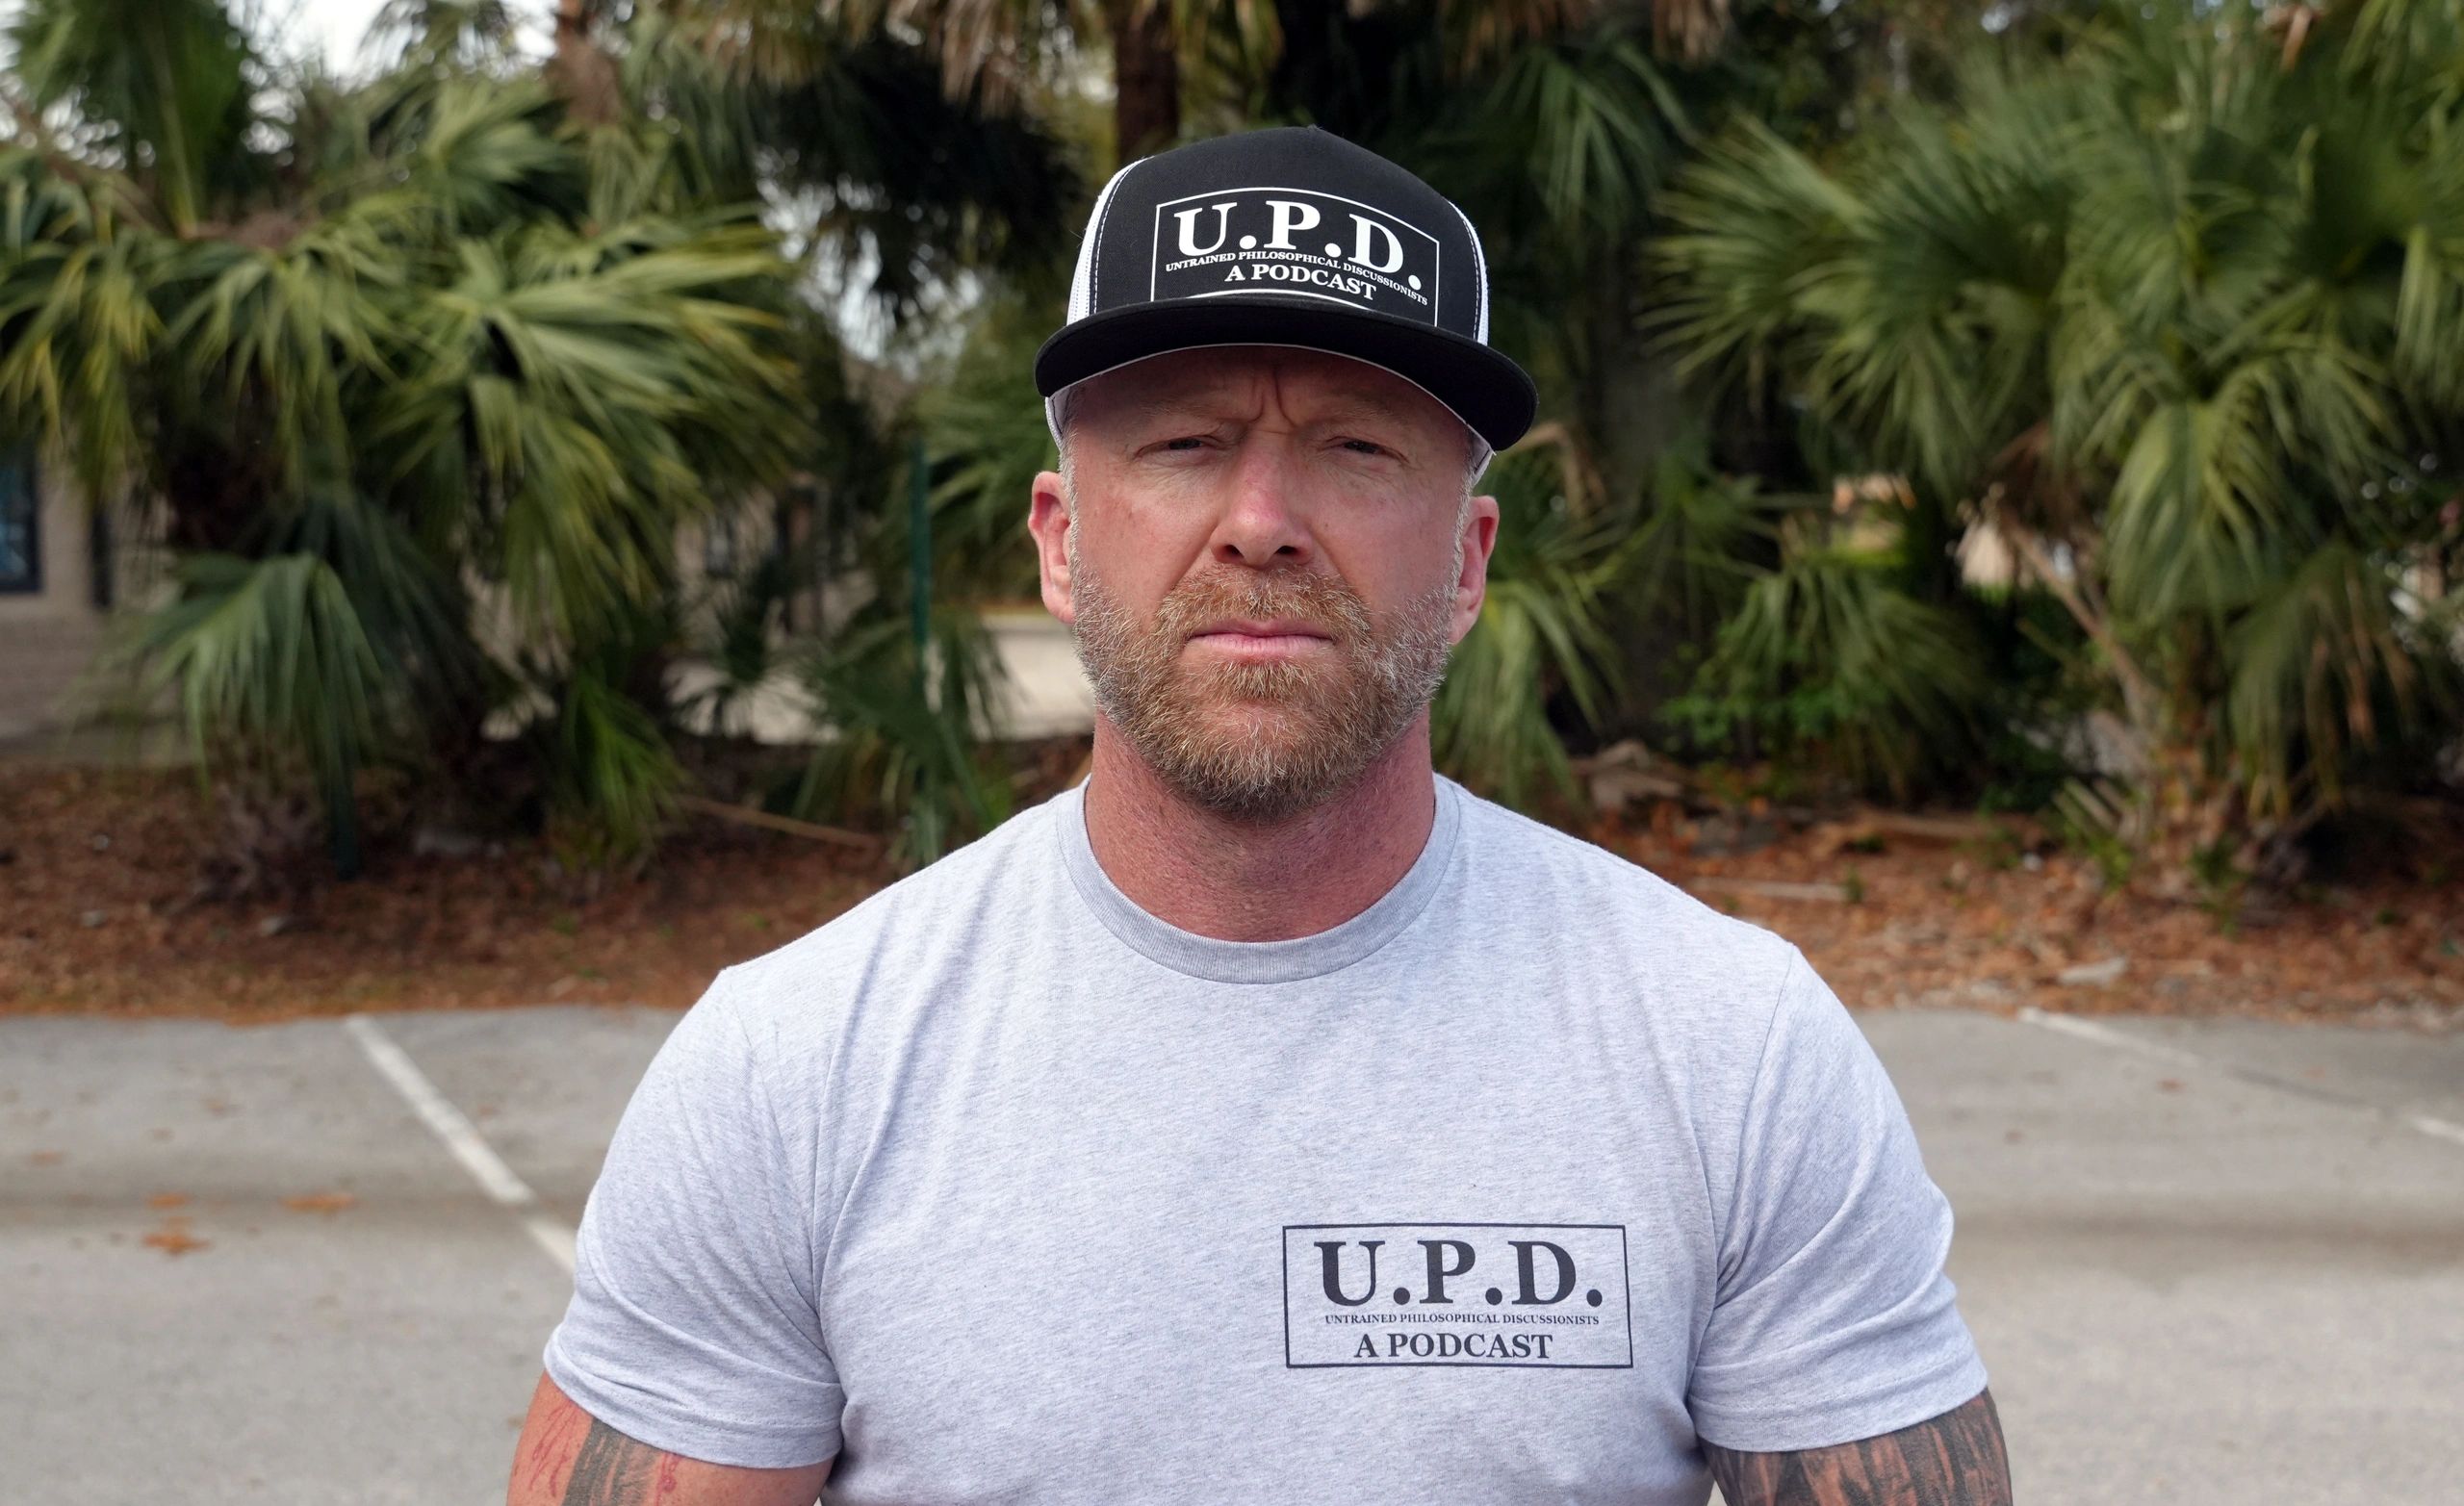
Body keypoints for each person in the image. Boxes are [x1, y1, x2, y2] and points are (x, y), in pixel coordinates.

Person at [506, 125, 2012, 1506]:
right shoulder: (793, 1069)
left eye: (1358, 447)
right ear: (1059, 541)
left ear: (1469, 560)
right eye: (1183, 442)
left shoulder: (1729, 1050)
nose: (1262, 521)